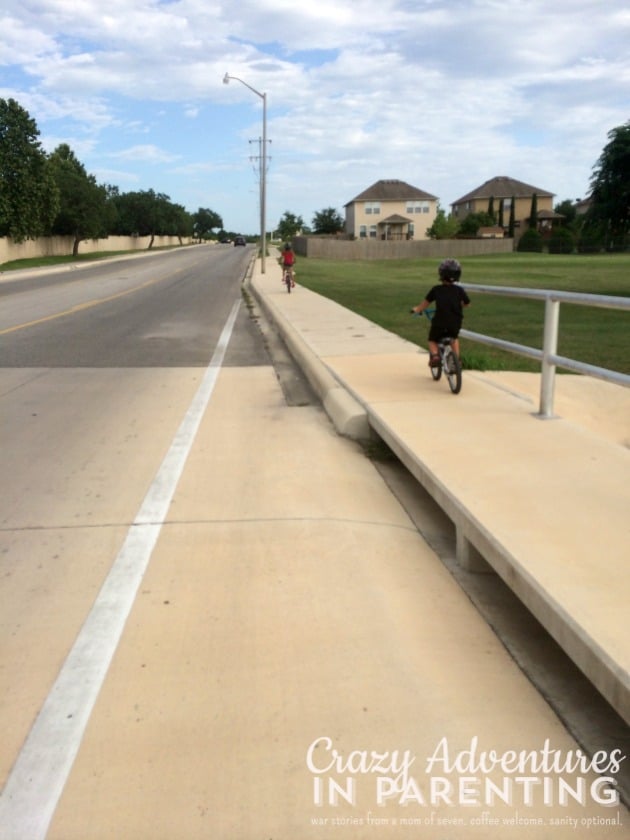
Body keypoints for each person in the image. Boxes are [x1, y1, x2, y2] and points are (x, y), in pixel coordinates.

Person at [411, 258, 470, 366]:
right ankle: (456, 360)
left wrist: (417, 309)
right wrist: (458, 305)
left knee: (432, 339)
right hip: (455, 323)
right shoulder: (459, 290)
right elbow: (467, 303)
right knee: (454, 338)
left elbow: (424, 304)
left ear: (441, 274)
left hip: (440, 322)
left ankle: (435, 356)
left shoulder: (436, 290)